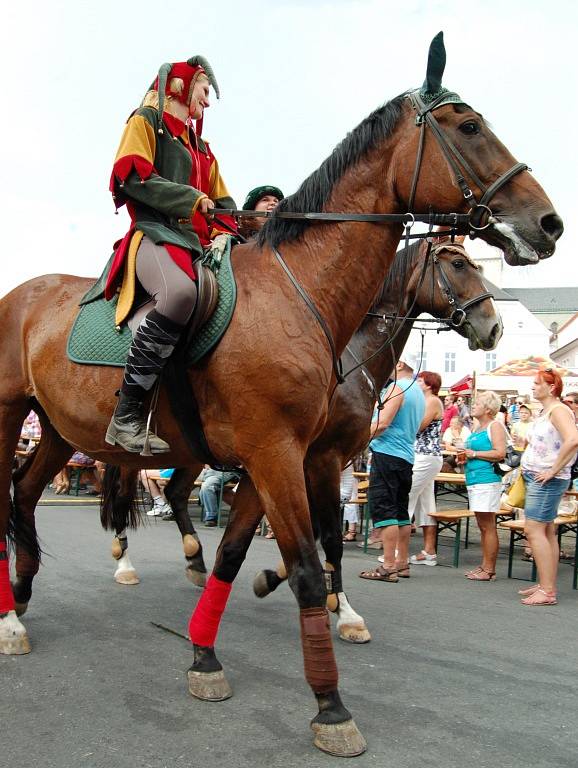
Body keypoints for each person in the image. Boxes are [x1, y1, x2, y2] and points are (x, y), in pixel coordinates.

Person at [104, 56, 237, 455]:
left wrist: (228, 230)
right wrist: (191, 199)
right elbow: (131, 176)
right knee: (179, 294)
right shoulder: (145, 121)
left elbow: (224, 202)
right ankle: (124, 417)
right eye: (204, 92)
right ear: (181, 86)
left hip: (198, 247)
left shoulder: (204, 151)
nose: (207, 103)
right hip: (155, 234)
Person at [359, 356, 425, 582]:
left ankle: (388, 566)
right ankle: (402, 563)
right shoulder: (417, 391)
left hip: (387, 454)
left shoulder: (397, 387)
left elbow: (383, 422)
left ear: (399, 365)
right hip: (405, 457)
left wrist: (355, 437)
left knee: (385, 510)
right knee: (400, 512)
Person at [518, 370, 578, 606]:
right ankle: (546, 584)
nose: (533, 387)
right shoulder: (548, 411)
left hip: (547, 478)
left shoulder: (559, 410)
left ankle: (547, 589)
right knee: (546, 531)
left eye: (537, 383)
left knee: (534, 530)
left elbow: (573, 439)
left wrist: (553, 469)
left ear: (551, 387)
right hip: (541, 475)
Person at [462, 391, 507, 581]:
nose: (474, 405)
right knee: (482, 525)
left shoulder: (494, 426)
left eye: (478, 403)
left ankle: (489, 569)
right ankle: (485, 566)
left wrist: (472, 454)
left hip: (486, 480)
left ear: (488, 409)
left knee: (488, 525)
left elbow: (500, 453)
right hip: (475, 479)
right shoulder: (478, 427)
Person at [407, 371, 444, 567]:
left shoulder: (432, 401)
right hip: (426, 455)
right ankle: (429, 552)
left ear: (429, 385)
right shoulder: (427, 401)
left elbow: (420, 426)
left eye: (420, 380)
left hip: (426, 455)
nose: (416, 383)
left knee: (406, 497)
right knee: (426, 504)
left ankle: (397, 551)